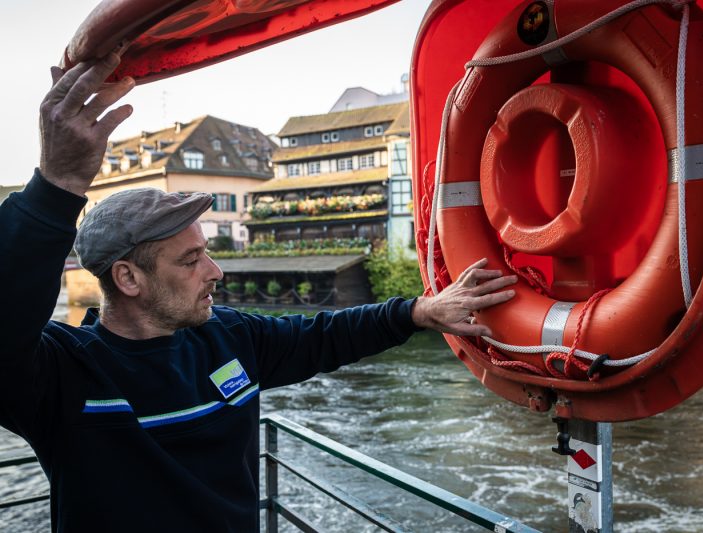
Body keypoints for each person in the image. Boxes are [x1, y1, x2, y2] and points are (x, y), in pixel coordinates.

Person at [0, 51, 517, 532]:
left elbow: (325, 335)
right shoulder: (60, 376)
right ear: (128, 279)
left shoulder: (228, 338)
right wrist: (58, 182)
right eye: (191, 259)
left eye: (206, 250)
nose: (216, 270)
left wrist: (420, 311)